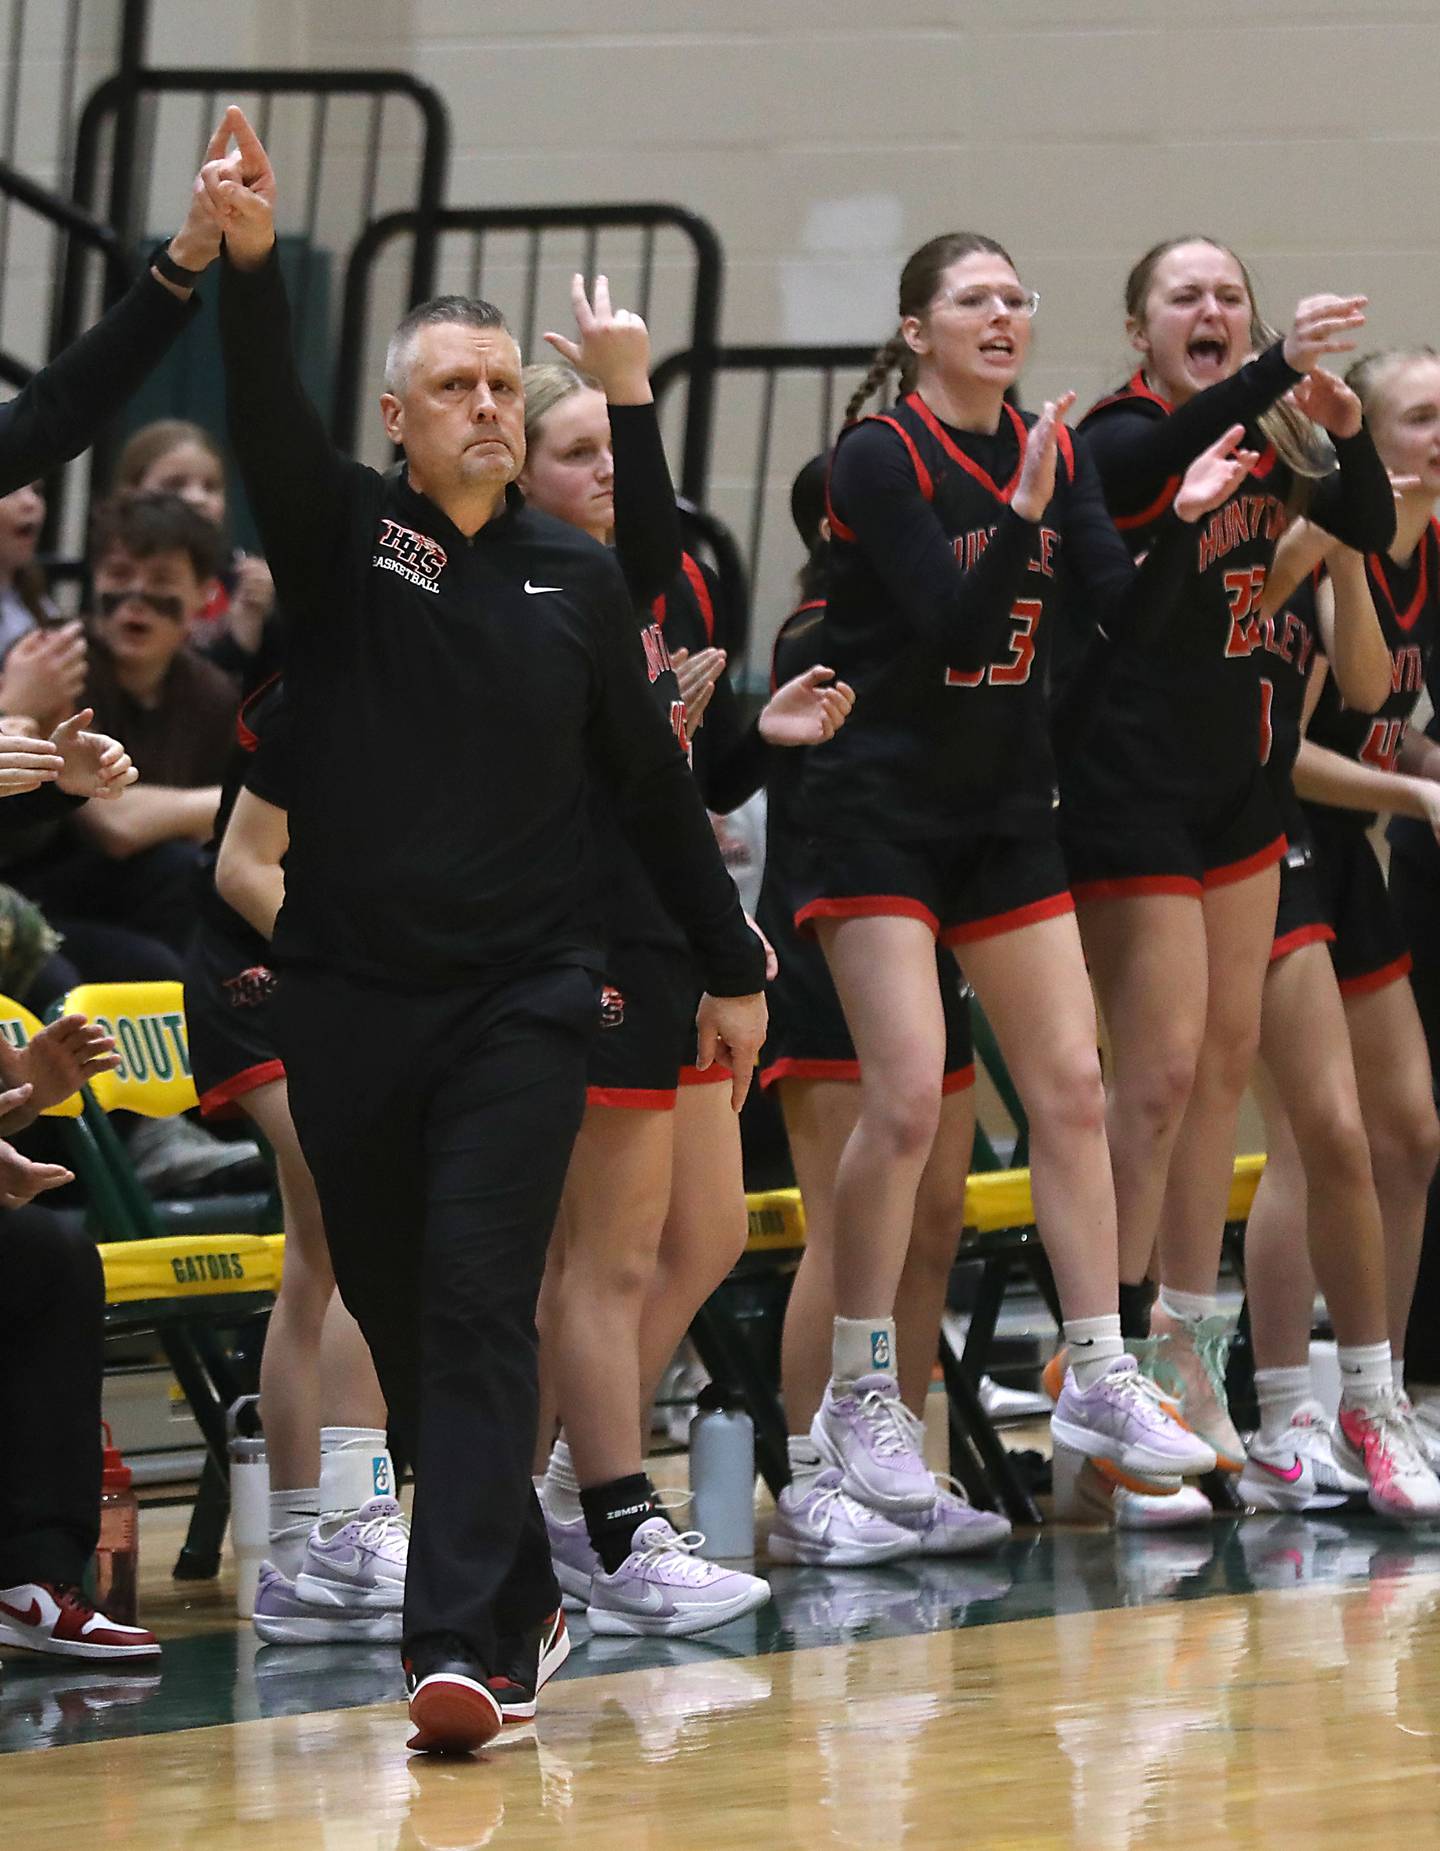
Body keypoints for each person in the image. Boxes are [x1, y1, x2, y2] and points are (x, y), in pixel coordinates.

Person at [203, 107, 767, 1755]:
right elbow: (260, 415)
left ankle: (459, 1647)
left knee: (470, 1298)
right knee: (390, 1293)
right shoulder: (343, 552)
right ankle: (519, 1588)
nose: (490, 409)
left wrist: (728, 959)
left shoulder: (575, 583)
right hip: (352, 997)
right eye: (457, 387)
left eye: (508, 388)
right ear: (396, 420)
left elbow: (653, 794)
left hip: (530, 996)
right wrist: (246, 267)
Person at [790, 230, 1248, 1524]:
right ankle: (861, 1391)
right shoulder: (884, 456)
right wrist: (1033, 510)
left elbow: (1119, 619)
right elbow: (953, 621)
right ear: (919, 328)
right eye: (973, 299)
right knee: (905, 1104)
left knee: (1073, 1083)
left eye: (1015, 297)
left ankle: (1099, 1362)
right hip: (879, 808)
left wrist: (1184, 529)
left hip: (1002, 809)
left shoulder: (1040, 451)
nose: (1002, 315)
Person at [519, 289, 848, 1635]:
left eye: (614, 444)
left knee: (708, 1230)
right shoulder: (528, 584)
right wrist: (635, 387)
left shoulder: (635, 594)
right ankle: (604, 1511)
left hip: (677, 930)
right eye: (577, 448)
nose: (602, 471)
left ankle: (548, 1488)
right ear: (522, 471)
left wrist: (749, 735)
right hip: (580, 935)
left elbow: (679, 779)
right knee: (599, 1252)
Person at [1056, 238, 1394, 1470]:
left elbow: (1365, 520)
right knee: (1152, 1079)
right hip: (1129, 782)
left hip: (1238, 783)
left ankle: (1185, 1362)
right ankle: (1106, 1356)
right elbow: (1136, 473)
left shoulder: (1279, 432)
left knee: (1221, 1071)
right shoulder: (1120, 430)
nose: (1209, 309)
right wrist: (1265, 368)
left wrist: (1346, 427)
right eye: (1183, 297)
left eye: (1229, 293)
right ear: (1141, 327)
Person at [757, 459, 1010, 1564]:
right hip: (834, 935)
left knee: (933, 1216)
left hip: (928, 931)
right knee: (845, 1220)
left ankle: (895, 1461)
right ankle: (813, 1479)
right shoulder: (822, 628)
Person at [1242, 349, 1440, 1515]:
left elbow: (1386, 713)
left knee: (1409, 1132)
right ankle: (1288, 1408)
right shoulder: (1322, 540)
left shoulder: (1419, 549)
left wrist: (1420, 765)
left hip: (1343, 847)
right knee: (1320, 1140)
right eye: (1421, 416)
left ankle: (1386, 1389)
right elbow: (1303, 741)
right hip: (1275, 836)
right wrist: (1417, 796)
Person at [195, 677, 400, 1643]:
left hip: (340, 965)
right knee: (363, 1208)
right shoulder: (321, 681)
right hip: (266, 967)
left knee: (317, 1250)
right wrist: (356, 967)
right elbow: (243, 869)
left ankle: (295, 1554)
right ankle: (356, 1515)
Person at [114, 419, 281, 688]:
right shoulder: (121, 578)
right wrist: (235, 644)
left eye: (210, 487)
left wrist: (268, 613)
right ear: (131, 492)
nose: (197, 498)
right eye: (175, 485)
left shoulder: (243, 579)